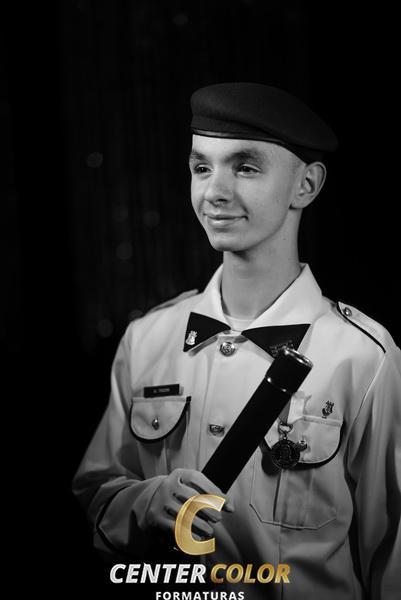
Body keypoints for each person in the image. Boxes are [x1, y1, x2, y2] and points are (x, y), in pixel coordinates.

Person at [72, 83, 401, 599]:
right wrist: (146, 502)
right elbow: (96, 493)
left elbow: (393, 553)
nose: (214, 192)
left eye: (245, 168)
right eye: (202, 167)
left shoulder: (362, 356)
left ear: (306, 185)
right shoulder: (148, 338)